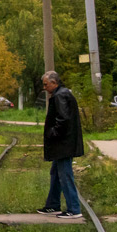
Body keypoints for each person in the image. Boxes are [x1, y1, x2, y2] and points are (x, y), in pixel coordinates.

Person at [37, 70, 85, 219]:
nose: (44, 87)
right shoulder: (61, 94)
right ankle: (53, 205)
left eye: (46, 84)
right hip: (64, 143)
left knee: (65, 174)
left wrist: (52, 133)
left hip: (63, 144)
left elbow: (63, 119)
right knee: (56, 173)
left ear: (54, 83)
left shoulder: (60, 96)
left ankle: (74, 209)